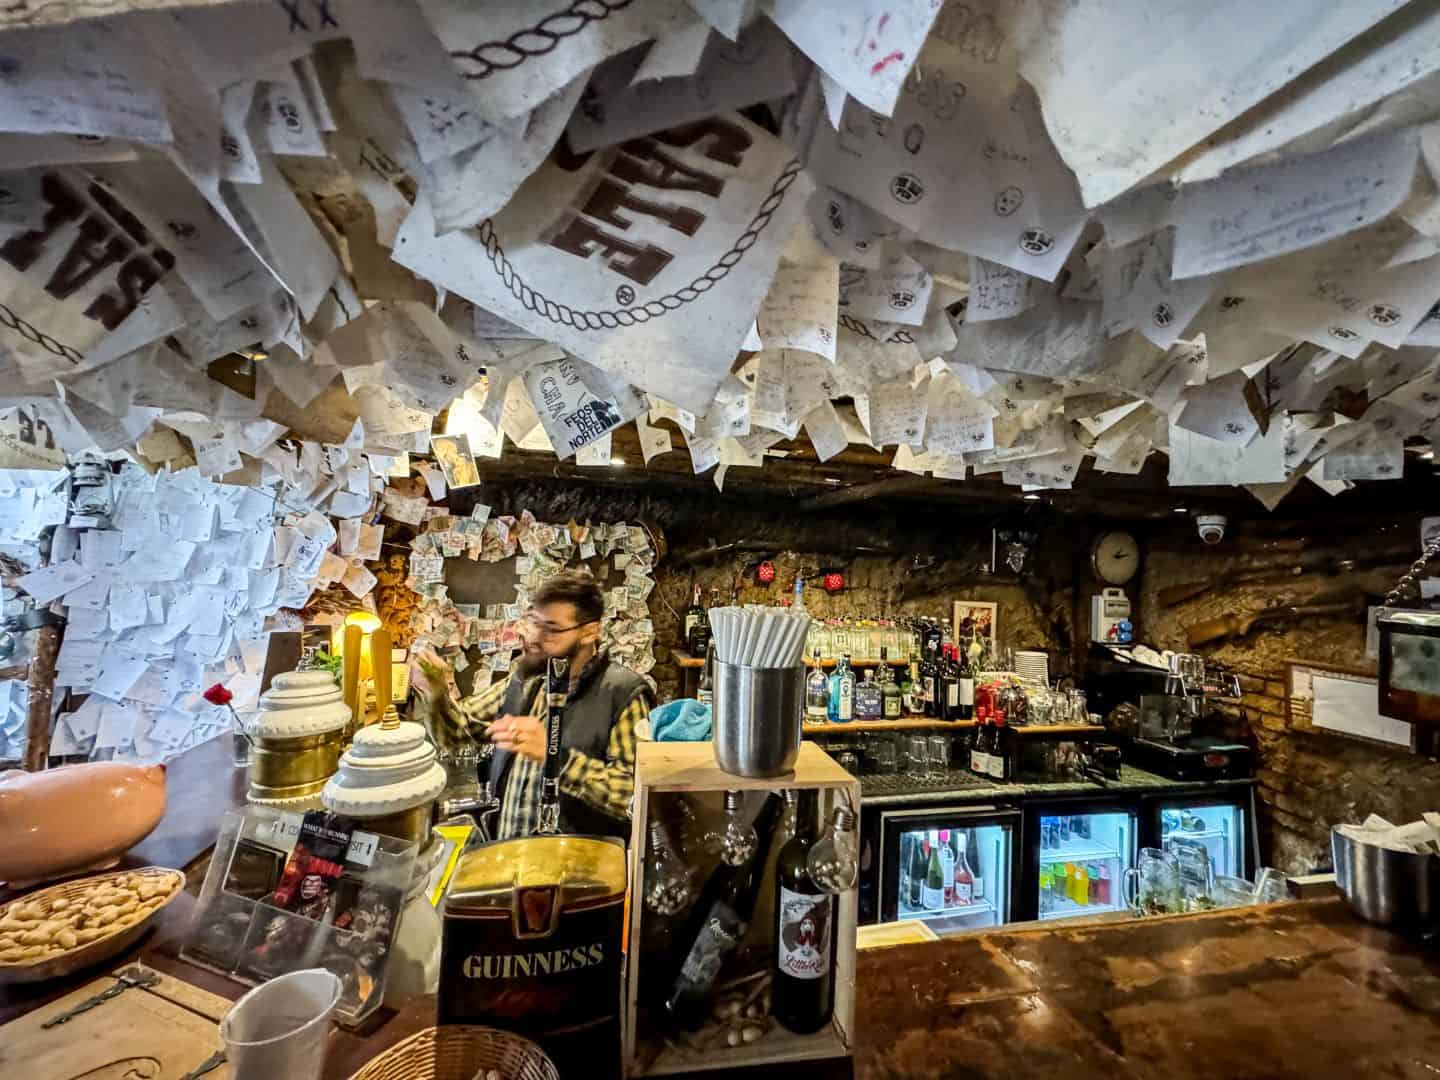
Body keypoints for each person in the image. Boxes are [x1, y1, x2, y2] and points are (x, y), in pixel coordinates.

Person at [415, 571, 652, 841]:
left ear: (589, 632)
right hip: (510, 859)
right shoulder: (527, 681)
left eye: (551, 629)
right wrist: (437, 696)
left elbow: (634, 796)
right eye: (534, 623)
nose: (535, 638)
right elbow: (457, 736)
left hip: (581, 872)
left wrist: (556, 759)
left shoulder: (623, 694)